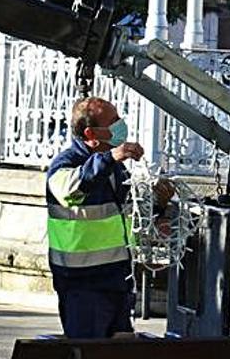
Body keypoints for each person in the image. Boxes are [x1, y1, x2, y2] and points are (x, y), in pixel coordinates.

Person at [46, 97, 171, 338]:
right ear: (91, 133)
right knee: (90, 355)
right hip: (82, 285)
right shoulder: (65, 165)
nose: (120, 127)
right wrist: (111, 157)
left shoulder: (115, 169)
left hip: (117, 280)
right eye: (113, 122)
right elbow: (71, 188)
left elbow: (128, 213)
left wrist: (158, 204)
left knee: (115, 358)